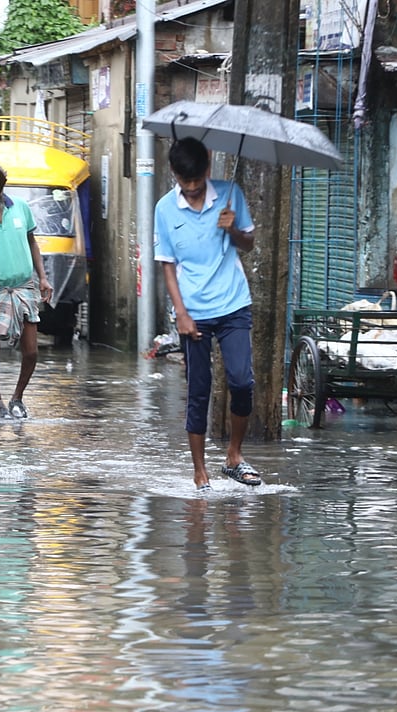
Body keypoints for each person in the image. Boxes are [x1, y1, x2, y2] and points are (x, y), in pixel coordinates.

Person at [153, 136, 261, 491]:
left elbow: (248, 244)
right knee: (199, 390)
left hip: (232, 304)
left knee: (242, 382)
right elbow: (168, 266)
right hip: (192, 311)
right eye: (187, 185)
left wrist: (232, 228)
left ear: (208, 169)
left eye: (199, 184)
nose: (194, 191)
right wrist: (181, 314)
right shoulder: (165, 209)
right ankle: (200, 472)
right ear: (174, 175)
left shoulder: (231, 194)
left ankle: (234, 455)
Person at [0, 193, 52, 419]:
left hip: (24, 287)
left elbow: (32, 242)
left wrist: (43, 277)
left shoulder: (20, 207)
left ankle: (18, 397)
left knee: (31, 351)